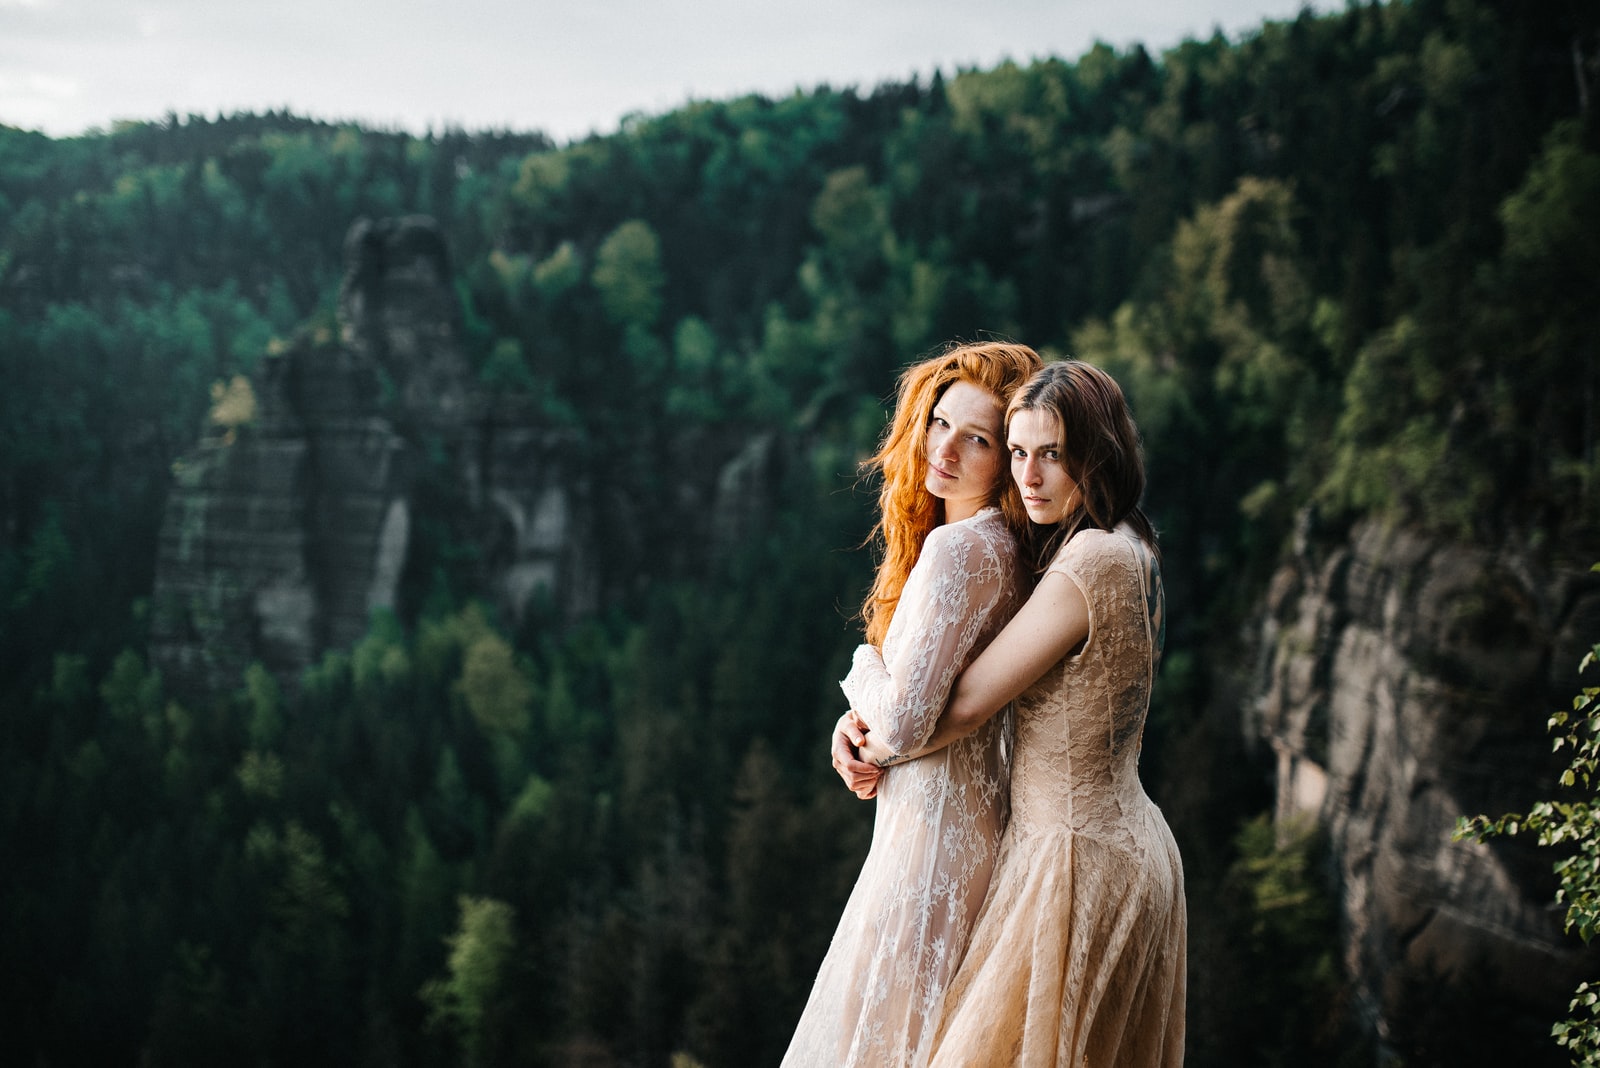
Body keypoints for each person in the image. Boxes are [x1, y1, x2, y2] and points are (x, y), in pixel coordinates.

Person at [836, 359, 1187, 1067]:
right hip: (1098, 841)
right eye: (1020, 452)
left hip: (1075, 857)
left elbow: (963, 706)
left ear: (1099, 454)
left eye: (1051, 454)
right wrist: (863, 728)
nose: (1028, 477)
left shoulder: (1090, 560)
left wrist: (862, 674)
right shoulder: (1125, 542)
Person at [782, 341, 1043, 1068]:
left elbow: (902, 719)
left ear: (1008, 459)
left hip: (927, 850)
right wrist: (854, 729)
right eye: (940, 422)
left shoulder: (960, 551)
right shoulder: (1009, 551)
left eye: (979, 438)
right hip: (969, 838)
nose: (947, 449)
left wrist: (861, 668)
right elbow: (928, 699)